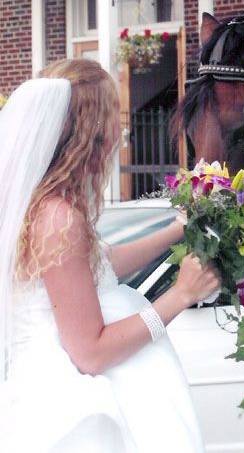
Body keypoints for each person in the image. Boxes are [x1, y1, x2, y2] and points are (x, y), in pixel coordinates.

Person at [0, 59, 221, 452]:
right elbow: (90, 352)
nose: (117, 132)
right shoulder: (57, 219)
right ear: (87, 134)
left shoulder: (53, 206)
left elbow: (100, 268)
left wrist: (174, 232)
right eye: (109, 118)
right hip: (72, 406)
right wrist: (178, 297)